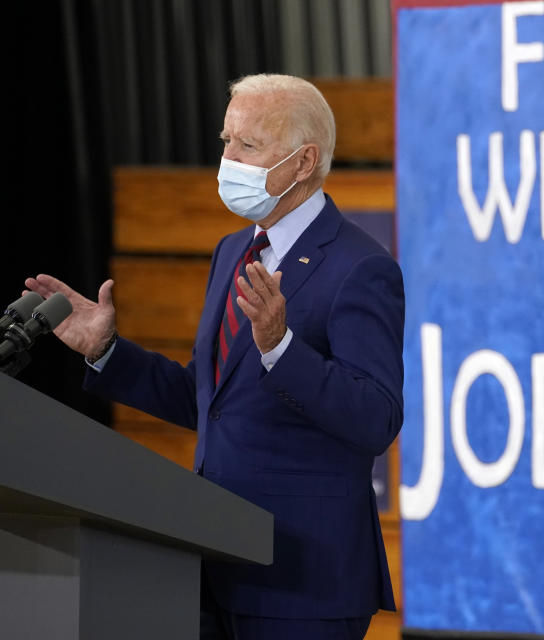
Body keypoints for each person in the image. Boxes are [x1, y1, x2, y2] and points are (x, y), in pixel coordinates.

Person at [25, 74, 404, 640]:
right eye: (226, 140)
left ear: (303, 163)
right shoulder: (233, 250)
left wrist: (281, 347)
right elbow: (212, 403)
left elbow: (376, 420)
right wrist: (107, 351)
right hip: (209, 562)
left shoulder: (360, 267)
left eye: (247, 145)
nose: (226, 158)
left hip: (304, 580)